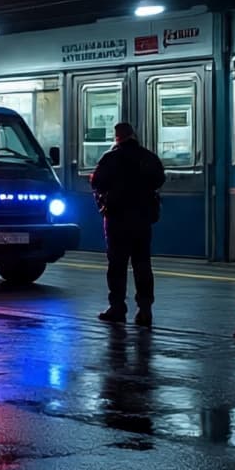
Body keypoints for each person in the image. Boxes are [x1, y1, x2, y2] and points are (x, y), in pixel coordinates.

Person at [91, 121, 165, 326]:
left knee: (117, 264)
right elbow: (159, 179)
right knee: (142, 263)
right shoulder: (148, 157)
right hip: (142, 219)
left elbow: (96, 182)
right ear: (133, 134)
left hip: (117, 218)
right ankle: (145, 309)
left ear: (117, 137)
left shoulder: (111, 158)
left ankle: (117, 307)